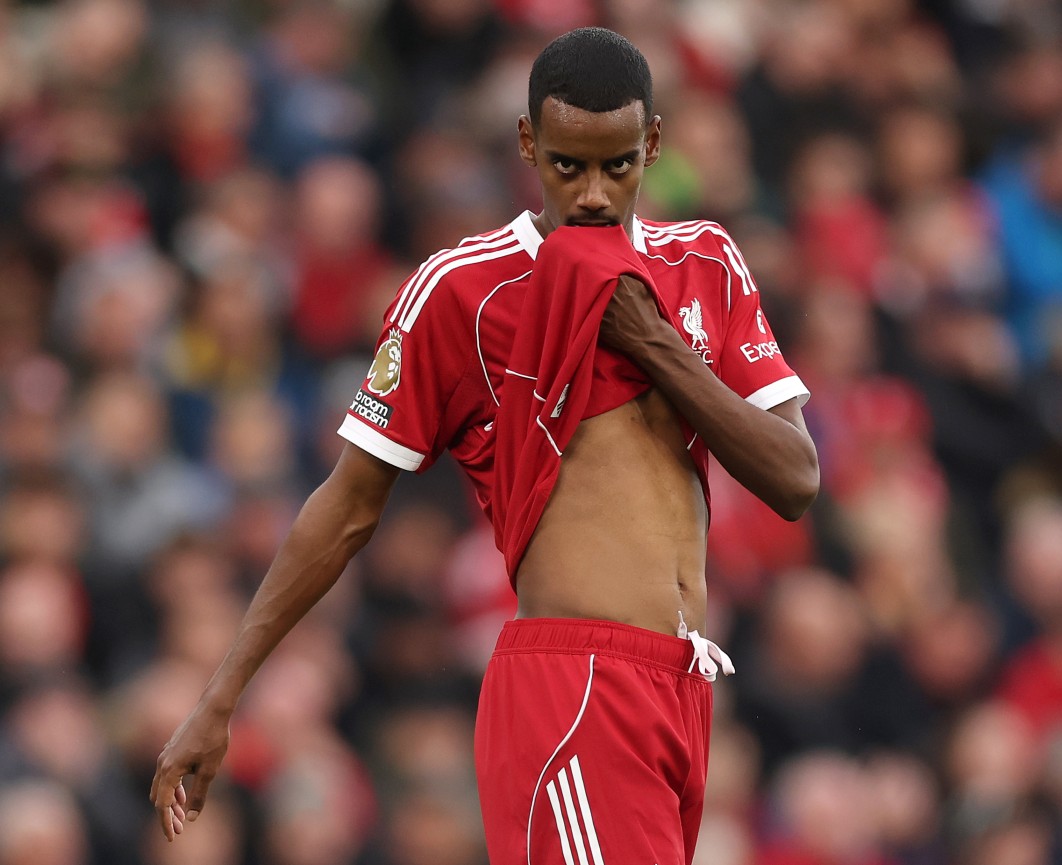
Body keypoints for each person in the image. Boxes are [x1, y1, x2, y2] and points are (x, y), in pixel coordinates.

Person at [151, 27, 819, 865]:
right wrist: (223, 693)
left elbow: (795, 477)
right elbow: (347, 506)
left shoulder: (706, 261)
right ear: (527, 143)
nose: (593, 195)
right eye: (567, 165)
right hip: (574, 685)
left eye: (618, 164)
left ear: (652, 143)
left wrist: (656, 349)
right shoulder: (462, 289)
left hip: (682, 686)